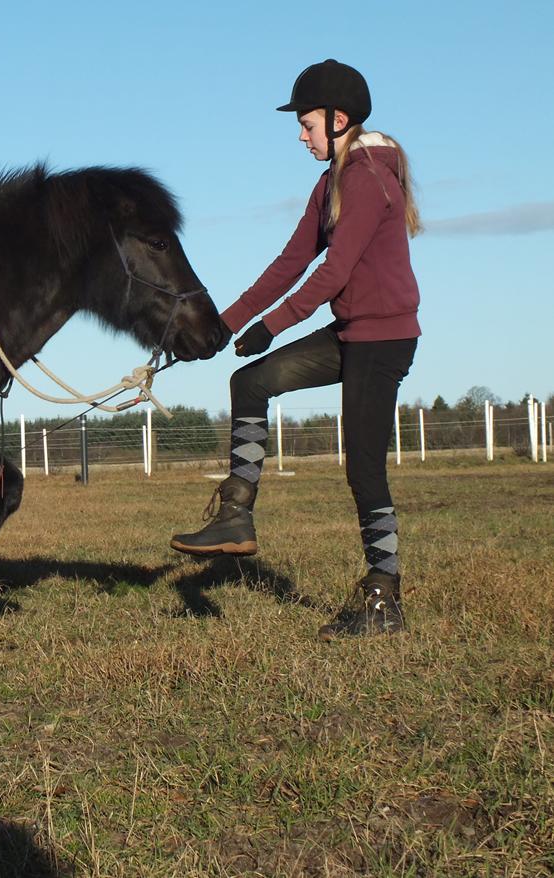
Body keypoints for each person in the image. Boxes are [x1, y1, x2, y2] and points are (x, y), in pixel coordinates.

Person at [170, 59, 422, 640]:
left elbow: (334, 269)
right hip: (351, 333)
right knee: (250, 382)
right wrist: (223, 326)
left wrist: (272, 325)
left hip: (383, 339)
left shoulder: (367, 178)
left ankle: (384, 600)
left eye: (306, 123)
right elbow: (291, 261)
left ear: (338, 120)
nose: (300, 134)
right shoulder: (332, 180)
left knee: (363, 468)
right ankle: (236, 516)